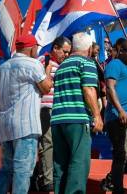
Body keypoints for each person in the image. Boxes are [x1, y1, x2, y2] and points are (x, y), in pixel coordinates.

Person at [0, 34, 52, 194]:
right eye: (36, 47)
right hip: (25, 125)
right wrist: (47, 72)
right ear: (32, 48)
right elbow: (46, 87)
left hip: (6, 124)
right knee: (23, 171)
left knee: (6, 169)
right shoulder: (33, 64)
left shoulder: (3, 67)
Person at [51, 32, 103, 194]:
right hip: (77, 119)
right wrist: (97, 115)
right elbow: (88, 89)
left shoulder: (62, 66)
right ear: (89, 49)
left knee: (60, 165)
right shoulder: (86, 62)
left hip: (58, 120)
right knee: (79, 163)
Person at [34, 36, 71, 192]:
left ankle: (40, 176)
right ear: (55, 48)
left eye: (69, 52)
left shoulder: (60, 64)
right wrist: (48, 70)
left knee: (52, 144)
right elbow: (41, 84)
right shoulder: (44, 60)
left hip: (57, 110)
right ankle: (47, 180)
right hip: (44, 108)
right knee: (48, 143)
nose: (67, 55)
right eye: (65, 51)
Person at [104, 39, 127, 194]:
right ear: (121, 51)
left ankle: (112, 179)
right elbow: (110, 87)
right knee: (121, 153)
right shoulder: (115, 64)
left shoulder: (126, 68)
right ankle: (116, 188)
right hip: (119, 117)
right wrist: (120, 110)